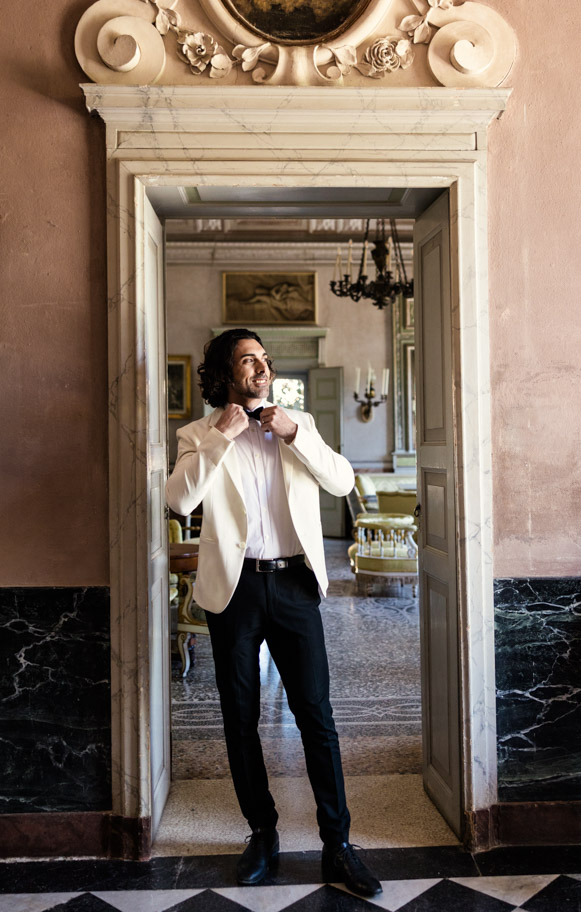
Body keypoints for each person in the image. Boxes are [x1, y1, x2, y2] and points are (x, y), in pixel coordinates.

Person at [165, 328, 382, 897]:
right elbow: (178, 500)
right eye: (247, 360)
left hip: (293, 587)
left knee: (317, 716)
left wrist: (294, 435)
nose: (260, 367)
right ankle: (262, 833)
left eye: (263, 358)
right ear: (224, 373)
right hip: (233, 593)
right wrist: (219, 439)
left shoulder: (299, 423)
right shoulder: (196, 433)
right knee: (240, 719)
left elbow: (342, 480)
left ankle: (338, 845)